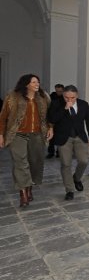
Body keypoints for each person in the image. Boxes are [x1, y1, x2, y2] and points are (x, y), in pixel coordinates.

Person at [0, 74, 53, 208]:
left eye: (38, 82)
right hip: (17, 134)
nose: (37, 84)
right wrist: (1, 134)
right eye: (34, 82)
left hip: (37, 135)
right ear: (26, 84)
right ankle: (23, 193)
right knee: (20, 162)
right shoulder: (12, 96)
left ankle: (29, 187)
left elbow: (49, 116)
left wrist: (51, 128)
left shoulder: (44, 97)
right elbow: (3, 117)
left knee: (35, 162)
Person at [47, 85, 89, 200]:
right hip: (64, 138)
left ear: (77, 95)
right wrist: (64, 109)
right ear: (63, 95)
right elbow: (52, 119)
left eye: (72, 98)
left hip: (80, 137)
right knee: (66, 164)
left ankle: (77, 178)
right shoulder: (56, 103)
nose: (69, 100)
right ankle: (69, 190)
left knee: (83, 161)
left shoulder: (83, 104)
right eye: (66, 97)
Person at [46, 83, 64, 158]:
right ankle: (51, 152)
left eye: (60, 91)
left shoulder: (65, 97)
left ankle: (59, 152)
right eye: (57, 91)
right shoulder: (51, 97)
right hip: (53, 118)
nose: (58, 92)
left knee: (61, 136)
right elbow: (48, 107)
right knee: (51, 137)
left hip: (62, 119)